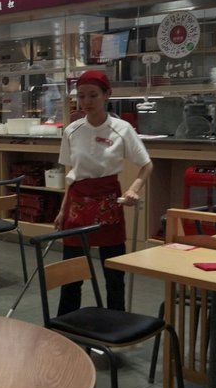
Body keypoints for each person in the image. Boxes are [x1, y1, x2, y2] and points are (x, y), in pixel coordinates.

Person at [54, 70, 152, 313]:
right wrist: (62, 210)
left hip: (109, 201)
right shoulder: (72, 130)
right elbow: (72, 173)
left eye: (93, 95)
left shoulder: (122, 128)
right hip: (77, 203)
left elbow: (146, 165)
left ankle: (116, 323)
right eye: (81, 96)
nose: (86, 101)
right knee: (72, 272)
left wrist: (133, 189)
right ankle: (66, 323)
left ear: (107, 94)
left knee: (113, 273)